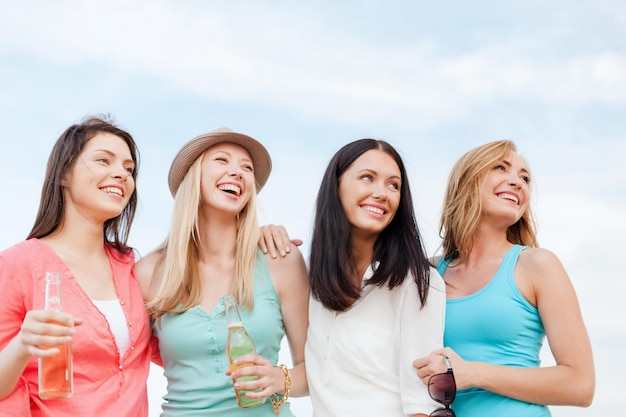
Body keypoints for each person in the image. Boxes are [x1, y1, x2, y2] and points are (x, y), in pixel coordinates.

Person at [134, 128, 310, 416]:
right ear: (193, 178)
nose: (237, 172)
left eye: (246, 167)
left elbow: (317, 369)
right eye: (221, 160)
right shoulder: (149, 273)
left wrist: (280, 378)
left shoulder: (280, 259)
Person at [412, 140, 595, 416]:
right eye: (501, 168)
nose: (518, 182)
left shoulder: (537, 265)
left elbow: (581, 385)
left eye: (525, 178)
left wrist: (472, 374)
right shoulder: (426, 274)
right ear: (467, 180)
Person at [0, 116, 153, 417]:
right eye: (103, 160)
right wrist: (22, 345)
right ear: (64, 174)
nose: (120, 174)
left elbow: (185, 342)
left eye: (128, 168)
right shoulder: (15, 266)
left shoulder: (134, 268)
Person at [302, 139, 446, 417]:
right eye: (367, 178)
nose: (382, 193)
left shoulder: (417, 281)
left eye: (394, 185)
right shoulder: (309, 273)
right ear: (336, 185)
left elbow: (423, 403)